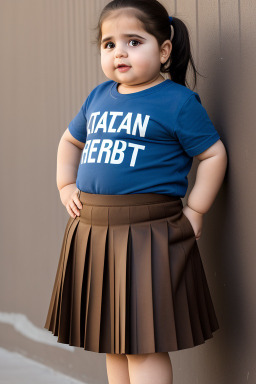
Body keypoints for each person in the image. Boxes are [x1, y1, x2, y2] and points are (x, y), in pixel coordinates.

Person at [44, 0, 228, 383]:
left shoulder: (177, 101)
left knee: (143, 345)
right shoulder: (98, 97)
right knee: (113, 341)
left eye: (133, 41)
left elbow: (212, 154)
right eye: (109, 44)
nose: (119, 52)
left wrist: (196, 209)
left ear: (163, 51)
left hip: (149, 231)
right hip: (93, 228)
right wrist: (65, 185)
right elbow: (69, 141)